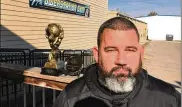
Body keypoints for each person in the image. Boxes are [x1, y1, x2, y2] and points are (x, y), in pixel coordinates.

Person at [52, 17, 181, 107]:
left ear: (141, 54)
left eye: (130, 50)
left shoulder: (168, 98)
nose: (121, 60)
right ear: (97, 54)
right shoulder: (71, 99)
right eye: (111, 50)